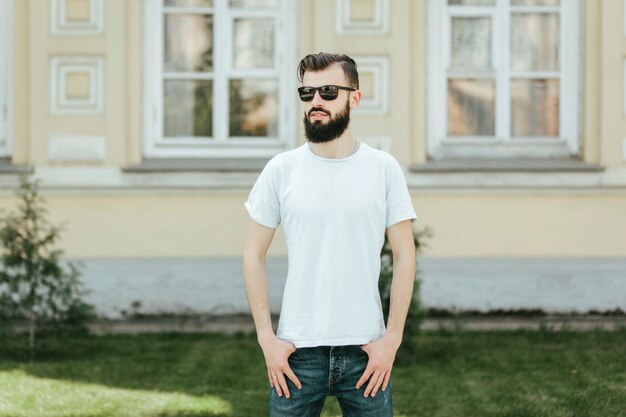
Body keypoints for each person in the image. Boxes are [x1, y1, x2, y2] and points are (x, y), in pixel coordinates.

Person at [242, 52, 418, 416]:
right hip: (296, 354)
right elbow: (252, 256)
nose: (316, 102)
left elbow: (405, 255)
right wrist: (266, 339)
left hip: (366, 352)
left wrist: (392, 339)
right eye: (307, 93)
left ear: (355, 97)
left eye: (327, 91)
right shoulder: (281, 169)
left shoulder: (383, 168)